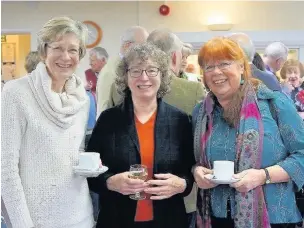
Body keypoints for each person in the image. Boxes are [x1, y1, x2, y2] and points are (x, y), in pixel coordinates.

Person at [193, 37, 304, 228]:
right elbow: (195, 160)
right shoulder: (201, 112)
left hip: (272, 217)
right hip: (215, 217)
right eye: (209, 67)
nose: (216, 72)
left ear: (242, 67)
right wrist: (197, 171)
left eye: (225, 64)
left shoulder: (274, 103)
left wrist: (263, 176)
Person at [87, 43, 195, 228]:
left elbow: (190, 170)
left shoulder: (180, 121)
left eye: (152, 70)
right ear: (125, 77)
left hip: (169, 220)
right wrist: (109, 182)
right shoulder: (109, 120)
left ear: (162, 75)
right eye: (136, 71)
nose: (144, 77)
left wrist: (182, 185)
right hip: (116, 219)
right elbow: (90, 173)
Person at [1, 16, 94, 228]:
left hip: (80, 216)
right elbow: (5, 169)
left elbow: (74, 155)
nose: (66, 56)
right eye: (58, 48)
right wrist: (23, 224)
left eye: (73, 50)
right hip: (37, 219)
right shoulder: (16, 93)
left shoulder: (81, 99)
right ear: (44, 52)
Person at [96, 26, 148, 117]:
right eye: (142, 47)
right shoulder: (111, 72)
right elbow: (103, 110)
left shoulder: (132, 67)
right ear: (127, 45)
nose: (146, 51)